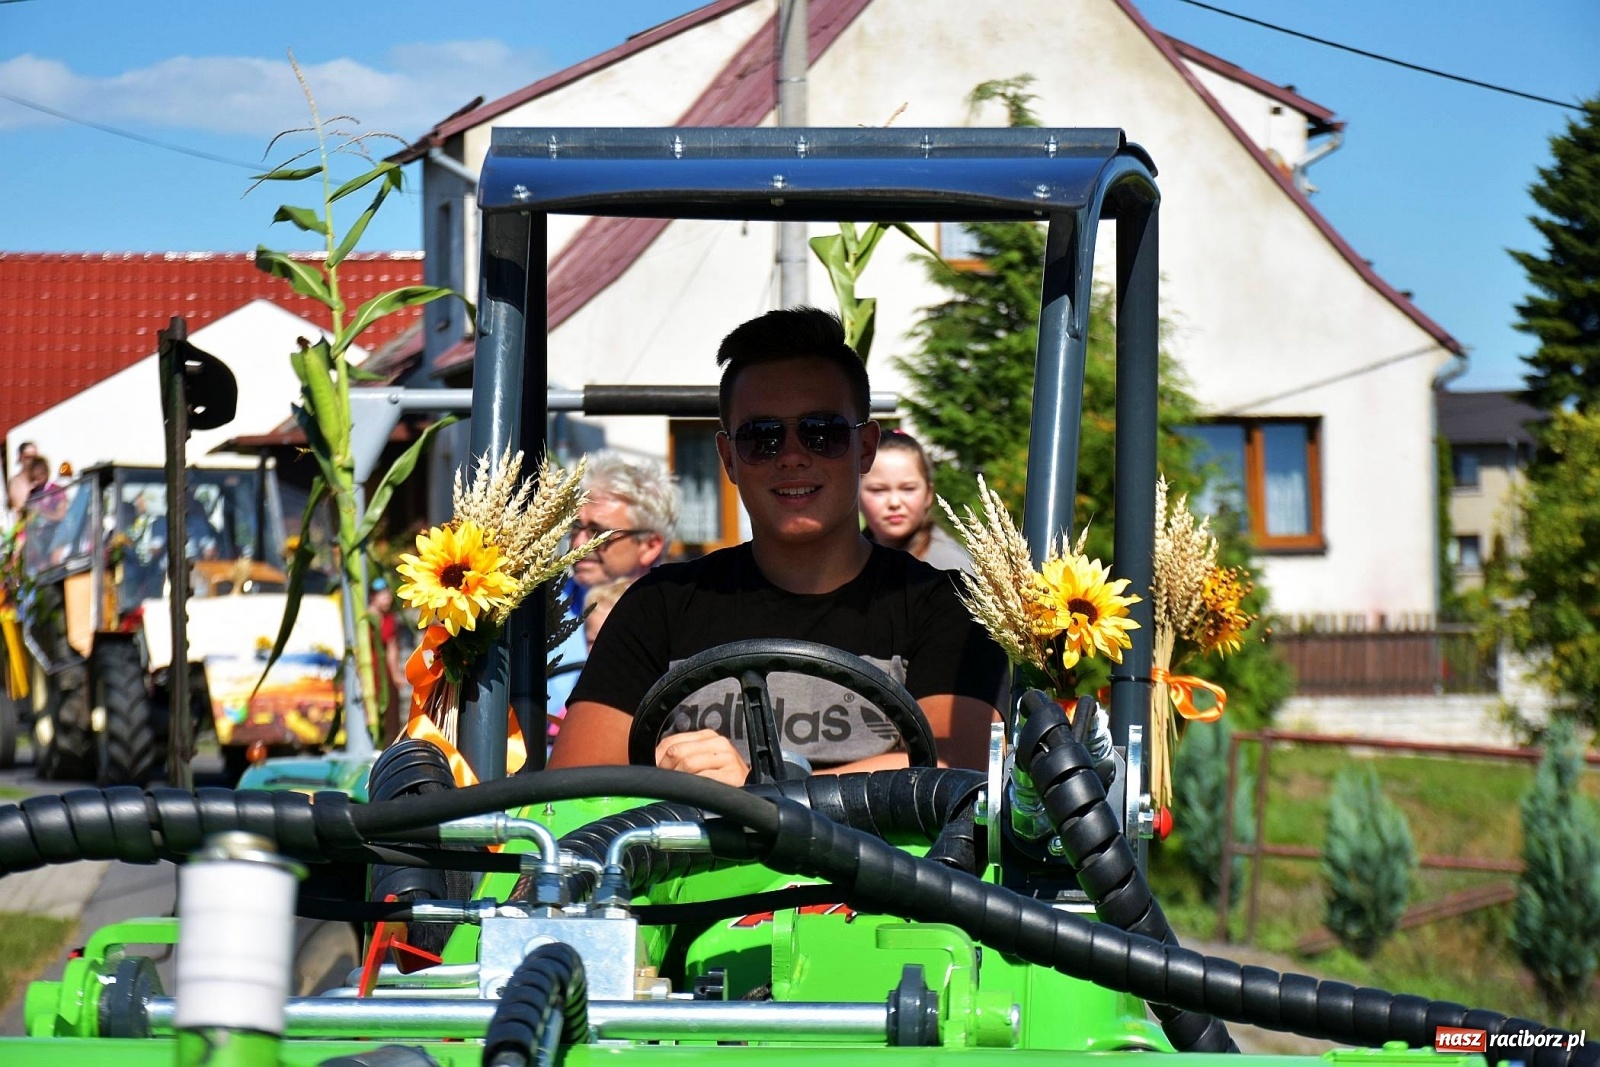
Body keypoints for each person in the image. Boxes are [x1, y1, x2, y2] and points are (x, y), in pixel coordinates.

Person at [548, 307, 1007, 786]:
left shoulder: (948, 606)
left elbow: (955, 773)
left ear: (866, 447)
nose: (791, 456)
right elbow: (573, 790)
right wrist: (654, 773)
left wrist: (760, 792)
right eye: (761, 438)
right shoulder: (659, 605)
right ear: (728, 458)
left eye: (822, 433)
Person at [546, 453, 680, 715]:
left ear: (650, 546)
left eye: (598, 534)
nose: (578, 544)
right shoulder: (539, 610)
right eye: (575, 528)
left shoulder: (677, 618)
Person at [859, 430, 973, 573]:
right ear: (856, 495)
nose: (894, 502)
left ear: (928, 494)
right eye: (878, 490)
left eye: (908, 489)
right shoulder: (846, 559)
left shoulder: (949, 567)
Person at [369, 578, 405, 742]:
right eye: (383, 596)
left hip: (385, 676)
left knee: (390, 716)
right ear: (373, 597)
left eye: (388, 595)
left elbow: (392, 649)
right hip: (369, 674)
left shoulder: (390, 619)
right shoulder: (366, 619)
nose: (387, 599)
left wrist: (397, 674)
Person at [6, 441, 39, 520]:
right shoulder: (15, 482)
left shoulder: (40, 479)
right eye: (28, 457)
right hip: (24, 528)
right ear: (20, 458)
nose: (32, 461)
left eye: (34, 457)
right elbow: (20, 508)